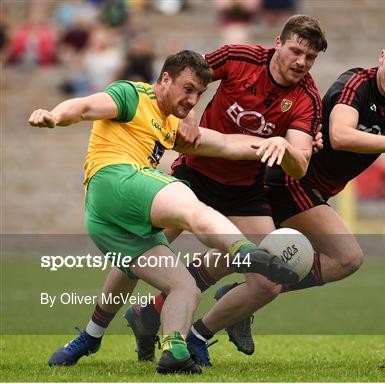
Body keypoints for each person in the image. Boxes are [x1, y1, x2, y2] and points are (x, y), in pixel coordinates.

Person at [124, 24, 385, 366]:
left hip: (309, 186)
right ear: (382, 56)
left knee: (243, 262)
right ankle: (199, 331)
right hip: (291, 181)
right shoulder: (356, 83)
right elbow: (340, 135)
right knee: (343, 258)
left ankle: (156, 313)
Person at [28, 50, 301, 374]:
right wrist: (55, 116)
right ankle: (244, 251)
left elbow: (226, 145)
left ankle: (164, 348)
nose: (192, 100)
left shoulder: (173, 126)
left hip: (106, 223)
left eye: (199, 94)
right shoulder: (133, 95)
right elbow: (85, 107)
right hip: (113, 178)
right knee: (188, 200)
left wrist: (277, 144)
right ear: (166, 79)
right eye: (187, 89)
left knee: (184, 286)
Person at [123, 14, 327, 365]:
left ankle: (195, 335)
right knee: (141, 245)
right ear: (278, 43)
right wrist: (187, 119)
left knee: (269, 281)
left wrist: (287, 150)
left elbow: (301, 165)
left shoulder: (307, 96)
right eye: (296, 51)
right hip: (195, 175)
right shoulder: (239, 57)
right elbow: (191, 78)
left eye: (309, 58)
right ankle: (91, 333)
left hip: (244, 191)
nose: (301, 62)